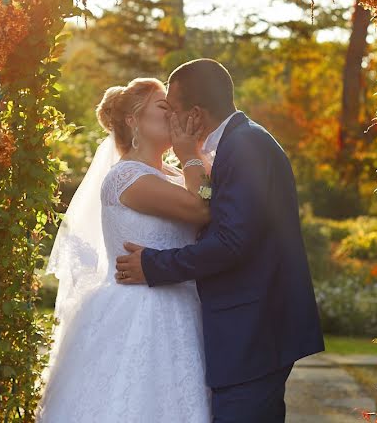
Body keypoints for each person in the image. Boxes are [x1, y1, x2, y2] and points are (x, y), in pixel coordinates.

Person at [116, 58, 325, 423]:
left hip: (255, 329)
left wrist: (153, 265)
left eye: (174, 111)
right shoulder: (239, 141)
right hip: (250, 327)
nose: (171, 121)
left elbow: (231, 241)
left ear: (195, 113)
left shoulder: (244, 146)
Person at [35, 77, 213, 422]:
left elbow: (208, 198)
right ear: (133, 120)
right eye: (163, 106)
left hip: (185, 305)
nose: (173, 112)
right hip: (141, 311)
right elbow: (202, 208)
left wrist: (191, 157)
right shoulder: (127, 177)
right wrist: (191, 154)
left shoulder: (176, 174)